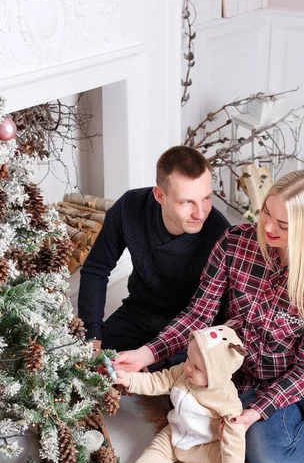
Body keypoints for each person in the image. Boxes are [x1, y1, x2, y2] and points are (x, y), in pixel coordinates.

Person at [114, 169, 304, 463]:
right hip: (248, 377)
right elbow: (199, 315)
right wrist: (146, 354)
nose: (267, 226)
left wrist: (257, 413)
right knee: (270, 462)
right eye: (266, 211)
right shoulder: (234, 243)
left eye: (283, 224)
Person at [78, 145, 230, 353]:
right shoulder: (129, 208)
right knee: (90, 368)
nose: (200, 213)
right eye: (186, 202)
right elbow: (96, 269)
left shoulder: (221, 233)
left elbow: (217, 313)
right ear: (159, 196)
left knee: (157, 381)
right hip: (138, 312)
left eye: (206, 198)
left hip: (190, 329)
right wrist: (92, 333)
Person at [114, 324, 247, 463]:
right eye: (188, 358)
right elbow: (156, 381)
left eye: (197, 367)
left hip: (202, 443)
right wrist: (130, 379)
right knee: (154, 450)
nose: (188, 367)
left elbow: (235, 431)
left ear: (216, 374)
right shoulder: (182, 373)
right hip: (174, 431)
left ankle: (213, 460)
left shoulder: (226, 398)